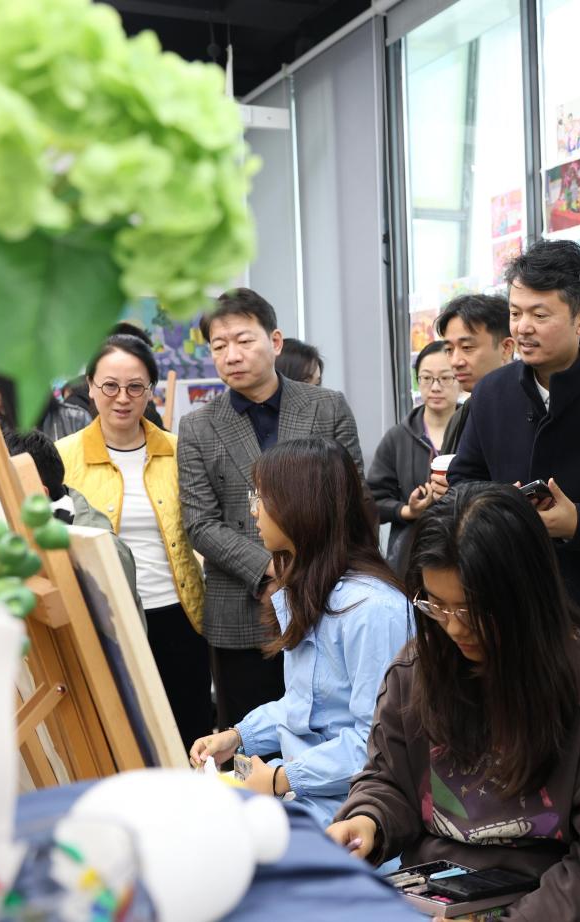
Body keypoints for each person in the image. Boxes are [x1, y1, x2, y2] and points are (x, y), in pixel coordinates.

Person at [326, 483, 580, 921]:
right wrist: (368, 820)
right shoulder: (415, 673)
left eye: (470, 610)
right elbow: (389, 779)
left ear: (525, 598)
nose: (453, 629)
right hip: (433, 900)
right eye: (436, 606)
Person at [188, 437, 411, 826]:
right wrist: (237, 737)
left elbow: (376, 743)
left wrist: (280, 778)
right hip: (305, 794)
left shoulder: (373, 610)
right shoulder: (309, 588)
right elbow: (303, 706)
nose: (253, 511)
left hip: (350, 814)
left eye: (262, 497)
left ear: (301, 507)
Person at [178, 288, 365, 732]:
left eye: (244, 340)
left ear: (275, 341)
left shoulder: (326, 406)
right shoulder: (197, 426)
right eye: (219, 346)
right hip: (243, 611)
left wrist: (307, 565)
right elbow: (200, 523)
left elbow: (353, 496)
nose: (231, 355)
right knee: (246, 738)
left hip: (326, 594)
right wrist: (273, 567)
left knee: (331, 728)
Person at [446, 240, 580, 621]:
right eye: (515, 313)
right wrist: (499, 504)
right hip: (507, 594)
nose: (523, 327)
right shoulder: (491, 391)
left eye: (540, 315)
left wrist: (579, 523)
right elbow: (462, 481)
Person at [56, 333, 210, 751]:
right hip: (107, 619)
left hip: (179, 616)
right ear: (90, 387)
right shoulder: (64, 457)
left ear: (150, 391)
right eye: (110, 386)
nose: (122, 398)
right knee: (122, 742)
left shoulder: (180, 451)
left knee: (189, 736)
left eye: (135, 387)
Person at [1, 427, 145, 623]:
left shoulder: (100, 549)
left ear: (38, 494)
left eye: (3, 486)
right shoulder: (37, 525)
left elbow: (116, 630)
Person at [367, 341, 460, 570]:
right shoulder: (398, 437)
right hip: (411, 555)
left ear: (459, 378)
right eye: (426, 378)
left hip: (466, 547)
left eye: (445, 378)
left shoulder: (473, 430)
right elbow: (372, 499)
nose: (435, 387)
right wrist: (408, 511)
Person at [434, 293, 514, 453]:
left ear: (506, 348)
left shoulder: (528, 411)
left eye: (467, 347)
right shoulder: (460, 417)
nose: (455, 361)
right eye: (449, 349)